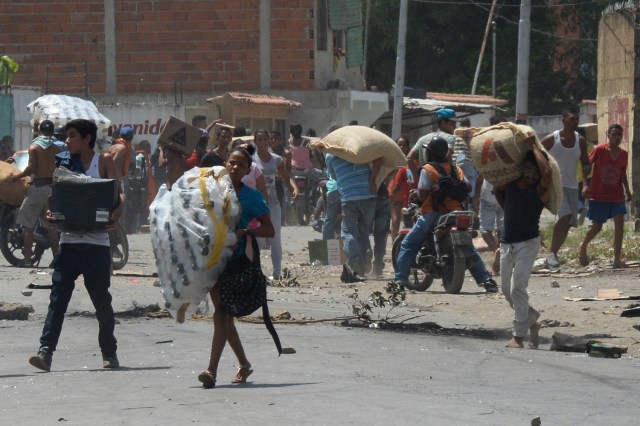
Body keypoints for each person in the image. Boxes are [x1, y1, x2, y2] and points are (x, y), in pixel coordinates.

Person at [28, 119, 125, 371]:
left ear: (87, 138)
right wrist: (51, 214)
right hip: (69, 243)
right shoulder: (62, 162)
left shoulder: (103, 161)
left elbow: (119, 192)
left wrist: (117, 212)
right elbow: (55, 198)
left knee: (101, 302)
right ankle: (45, 352)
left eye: (72, 136)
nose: (67, 140)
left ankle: (109, 353)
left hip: (97, 244)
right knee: (57, 301)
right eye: (67, 136)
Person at [198, 146, 275, 389]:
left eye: (240, 165)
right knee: (224, 317)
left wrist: (246, 231)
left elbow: (269, 229)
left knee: (221, 314)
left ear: (247, 170)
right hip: (212, 260)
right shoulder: (212, 190)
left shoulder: (252, 197)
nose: (234, 167)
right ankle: (244, 363)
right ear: (224, 163)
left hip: (236, 262)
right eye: (231, 162)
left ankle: (211, 370)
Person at [390, 136, 498, 293]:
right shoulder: (456, 169)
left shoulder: (428, 169)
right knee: (468, 247)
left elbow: (423, 194)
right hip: (456, 212)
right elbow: (467, 187)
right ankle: (487, 281)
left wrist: (415, 195)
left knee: (408, 243)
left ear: (431, 153)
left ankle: (399, 281)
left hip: (433, 213)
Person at [494, 141, 552, 349]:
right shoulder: (509, 186)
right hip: (507, 243)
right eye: (527, 169)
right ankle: (532, 319)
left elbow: (546, 172)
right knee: (507, 290)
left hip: (528, 243)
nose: (531, 175)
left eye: (534, 171)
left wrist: (534, 147)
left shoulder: (540, 190)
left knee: (519, 286)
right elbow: (497, 190)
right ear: (521, 169)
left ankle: (517, 336)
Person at [541, 108, 590, 269]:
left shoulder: (580, 141)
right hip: (556, 185)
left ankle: (553, 254)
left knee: (569, 222)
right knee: (565, 216)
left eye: (577, 119)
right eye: (572, 119)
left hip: (573, 186)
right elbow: (536, 154)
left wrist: (586, 184)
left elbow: (585, 163)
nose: (575, 122)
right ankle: (551, 254)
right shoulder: (552, 139)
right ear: (563, 120)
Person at [324, 149, 383, 281]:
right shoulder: (358, 149)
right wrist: (373, 180)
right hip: (369, 195)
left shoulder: (330, 156)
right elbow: (379, 158)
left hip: (349, 197)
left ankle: (356, 261)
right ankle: (362, 264)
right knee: (363, 232)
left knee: (348, 232)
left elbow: (333, 176)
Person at [579, 124, 632, 268]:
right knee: (597, 226)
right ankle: (583, 246)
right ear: (608, 135)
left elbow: (622, 174)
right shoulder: (600, 150)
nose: (616, 137)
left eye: (619, 134)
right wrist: (585, 185)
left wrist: (627, 190)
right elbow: (586, 167)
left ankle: (616, 260)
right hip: (599, 194)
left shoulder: (624, 154)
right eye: (613, 134)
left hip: (617, 195)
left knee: (620, 226)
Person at [9, 120, 61, 267]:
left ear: (39, 131)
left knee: (27, 225)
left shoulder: (34, 147)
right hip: (52, 188)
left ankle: (27, 260)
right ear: (52, 132)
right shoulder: (57, 149)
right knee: (51, 227)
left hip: (37, 188)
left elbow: (30, 168)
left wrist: (16, 177)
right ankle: (57, 260)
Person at [252, 129, 299, 280]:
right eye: (259, 140)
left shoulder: (276, 159)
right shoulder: (251, 161)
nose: (262, 142)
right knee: (258, 240)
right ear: (255, 142)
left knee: (275, 237)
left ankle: (277, 273)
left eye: (265, 139)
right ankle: (256, 272)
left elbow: (287, 177)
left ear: (269, 141)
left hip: (273, 203)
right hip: (257, 205)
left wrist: (294, 188)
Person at [407, 108, 458, 180]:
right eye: (452, 123)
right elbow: (448, 157)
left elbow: (409, 158)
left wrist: (417, 178)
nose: (455, 126)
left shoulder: (422, 139)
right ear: (443, 123)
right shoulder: (449, 138)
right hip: (440, 181)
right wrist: (455, 175)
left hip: (424, 180)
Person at [389, 136, 416, 242]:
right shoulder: (392, 158)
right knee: (395, 221)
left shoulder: (411, 160)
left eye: (403, 145)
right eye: (399, 144)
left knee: (409, 222)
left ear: (408, 146)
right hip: (395, 193)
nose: (401, 147)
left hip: (408, 195)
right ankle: (394, 244)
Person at [110, 126, 136, 232]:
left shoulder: (114, 146)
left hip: (111, 179)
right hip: (118, 180)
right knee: (121, 206)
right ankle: (120, 230)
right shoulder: (126, 148)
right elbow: (113, 162)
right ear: (131, 138)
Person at [269, 130, 290, 225]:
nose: (273, 140)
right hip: (269, 181)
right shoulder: (266, 152)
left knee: (282, 199)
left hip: (281, 180)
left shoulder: (286, 153)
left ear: (280, 140)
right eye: (271, 138)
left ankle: (281, 221)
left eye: (275, 138)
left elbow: (289, 168)